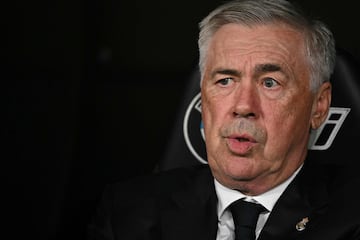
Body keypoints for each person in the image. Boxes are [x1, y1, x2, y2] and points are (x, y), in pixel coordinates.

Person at [87, 0, 360, 239]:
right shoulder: (128, 212)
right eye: (225, 80)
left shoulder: (351, 217)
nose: (243, 106)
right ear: (203, 96)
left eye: (270, 83)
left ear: (319, 106)